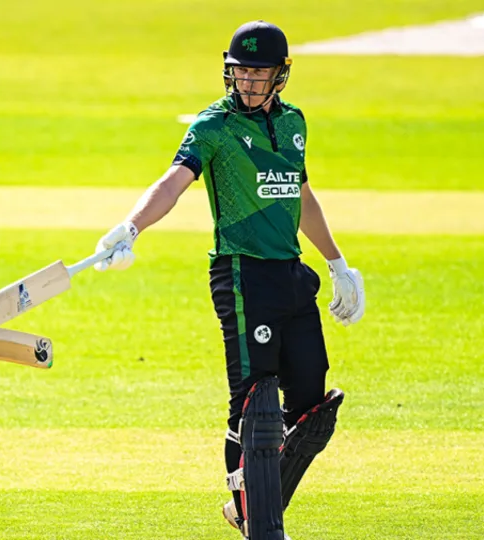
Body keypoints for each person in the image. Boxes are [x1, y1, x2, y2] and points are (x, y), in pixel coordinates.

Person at [92, 21, 364, 539]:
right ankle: (258, 518)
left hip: (290, 273)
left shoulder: (294, 123)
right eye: (241, 72)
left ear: (281, 75)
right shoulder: (213, 126)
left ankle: (250, 509)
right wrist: (132, 226)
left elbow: (301, 196)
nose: (248, 81)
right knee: (254, 404)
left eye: (259, 73)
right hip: (241, 274)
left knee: (313, 408)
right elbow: (172, 182)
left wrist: (337, 264)